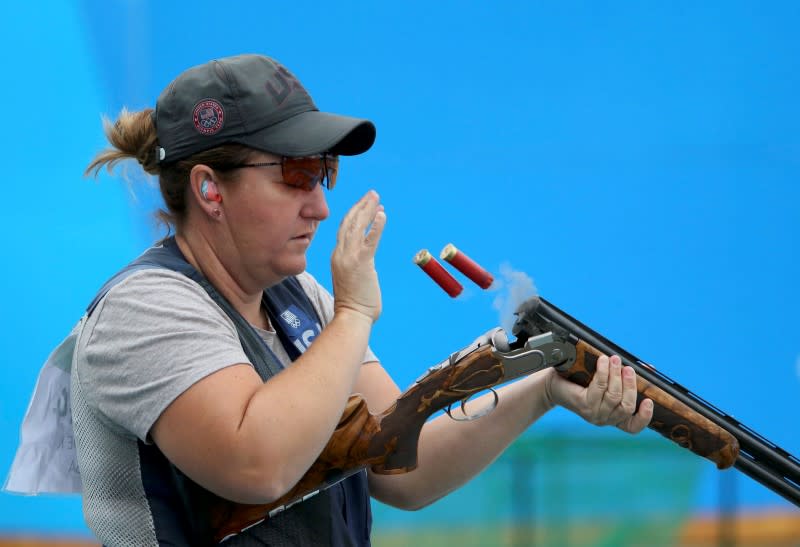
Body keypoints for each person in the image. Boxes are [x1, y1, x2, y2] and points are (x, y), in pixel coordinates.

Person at [68, 54, 653, 546]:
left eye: (324, 172)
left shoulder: (294, 297)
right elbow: (258, 464)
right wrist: (352, 314)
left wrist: (544, 387)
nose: (320, 205)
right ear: (209, 189)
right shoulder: (144, 309)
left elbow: (405, 467)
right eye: (295, 174)